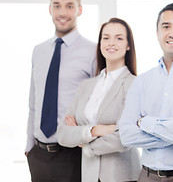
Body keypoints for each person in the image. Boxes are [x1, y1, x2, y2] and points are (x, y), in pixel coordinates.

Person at [119, 3, 173, 182]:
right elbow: (126, 136)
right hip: (147, 176)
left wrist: (144, 122)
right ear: (157, 32)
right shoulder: (142, 81)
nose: (172, 33)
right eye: (166, 26)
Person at [25, 0, 97, 182]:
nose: (62, 12)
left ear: (79, 10)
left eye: (69, 6)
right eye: (57, 6)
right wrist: (29, 147)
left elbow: (98, 104)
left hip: (72, 154)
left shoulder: (93, 52)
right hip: (38, 155)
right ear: (50, 9)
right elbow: (33, 103)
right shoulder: (38, 51)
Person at [57, 18, 141, 182]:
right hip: (89, 176)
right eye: (106, 37)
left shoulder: (134, 84)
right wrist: (94, 130)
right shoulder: (86, 86)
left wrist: (83, 142)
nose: (111, 43)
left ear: (128, 45)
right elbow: (63, 133)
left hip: (122, 176)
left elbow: (125, 137)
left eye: (119, 38)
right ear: (100, 43)